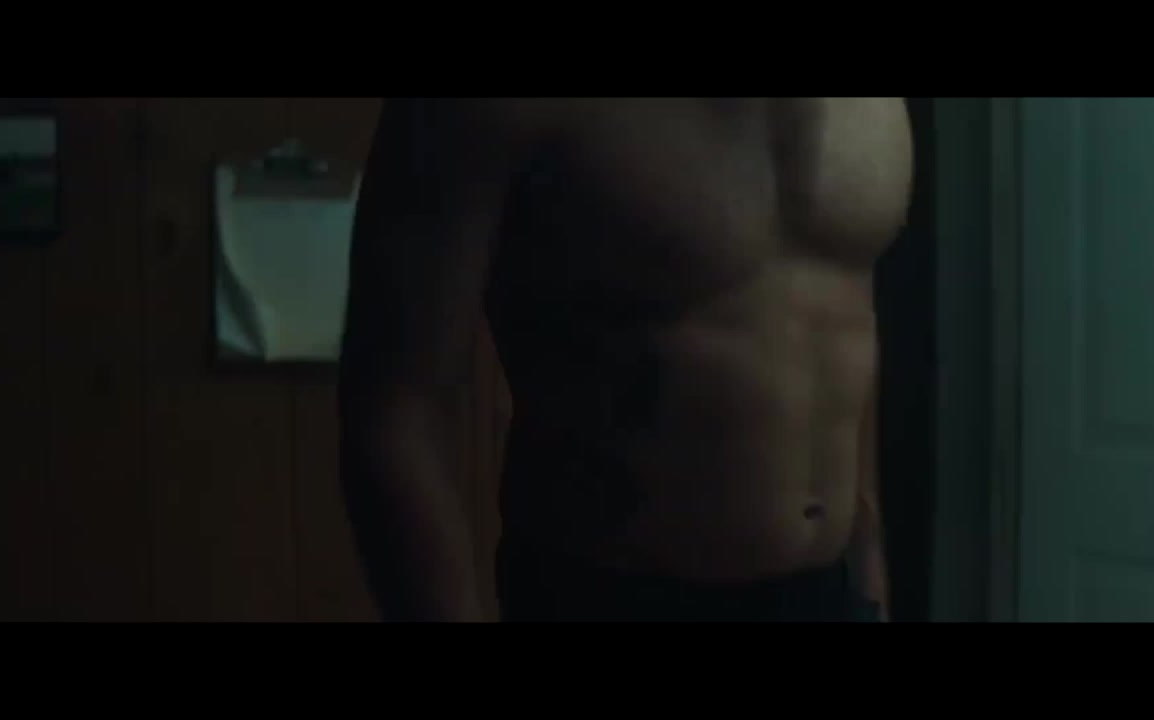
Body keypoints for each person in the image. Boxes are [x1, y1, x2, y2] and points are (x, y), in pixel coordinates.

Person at [338, 98, 912, 622]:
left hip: (829, 594)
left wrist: (870, 580)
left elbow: (837, 337)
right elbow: (393, 410)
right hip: (611, 594)